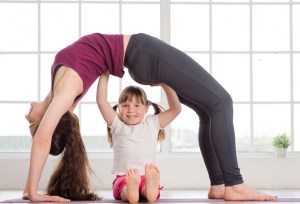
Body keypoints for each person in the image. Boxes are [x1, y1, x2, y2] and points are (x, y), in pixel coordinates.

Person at [24, 32, 277, 202]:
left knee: (207, 109)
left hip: (139, 57)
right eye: (32, 123)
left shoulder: (56, 90)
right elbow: (43, 139)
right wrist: (35, 193)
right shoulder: (65, 91)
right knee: (222, 102)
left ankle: (220, 185)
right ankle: (234, 183)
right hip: (142, 52)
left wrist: (28, 190)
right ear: (49, 120)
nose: (28, 117)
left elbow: (47, 124)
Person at [97, 71, 181, 203]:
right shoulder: (117, 124)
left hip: (146, 177)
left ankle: (147, 190)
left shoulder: (152, 123)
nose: (131, 110)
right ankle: (133, 191)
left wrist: (165, 84)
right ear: (118, 107)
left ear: (146, 107)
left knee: (144, 188)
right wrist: (104, 74)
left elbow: (176, 109)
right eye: (125, 105)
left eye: (137, 105)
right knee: (124, 188)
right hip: (124, 178)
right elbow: (101, 102)